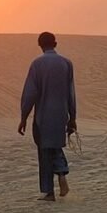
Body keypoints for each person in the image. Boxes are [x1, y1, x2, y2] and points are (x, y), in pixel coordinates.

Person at [19, 32, 77, 201]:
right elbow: (71, 93)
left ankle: (49, 191)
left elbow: (30, 93)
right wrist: (72, 117)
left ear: (40, 44)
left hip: (43, 115)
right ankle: (61, 174)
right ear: (55, 44)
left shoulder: (37, 64)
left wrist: (23, 117)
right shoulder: (66, 63)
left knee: (45, 150)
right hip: (61, 114)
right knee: (56, 146)